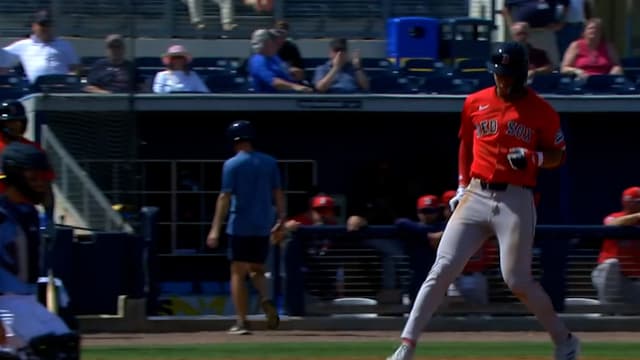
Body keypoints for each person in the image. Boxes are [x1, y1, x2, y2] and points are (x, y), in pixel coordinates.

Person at [386, 41, 580, 360]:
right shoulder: (475, 101)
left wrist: (534, 156)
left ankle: (565, 340)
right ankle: (406, 345)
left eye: (507, 74)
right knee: (443, 267)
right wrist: (461, 185)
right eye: (498, 73)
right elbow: (465, 146)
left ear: (521, 74)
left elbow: (559, 155)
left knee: (516, 279)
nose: (501, 80)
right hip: (476, 192)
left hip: (515, 198)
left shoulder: (541, 110)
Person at [0, 142, 79, 359]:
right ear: (15, 176)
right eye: (33, 178)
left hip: (29, 299)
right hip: (5, 304)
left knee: (65, 345)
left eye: (44, 178)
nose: (42, 184)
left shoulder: (29, 212)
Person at [206, 120, 284, 335]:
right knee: (257, 269)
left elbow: (225, 196)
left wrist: (214, 229)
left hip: (239, 224)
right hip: (262, 225)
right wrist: (281, 219)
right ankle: (266, 298)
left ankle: (241, 322)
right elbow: (278, 193)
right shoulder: (269, 162)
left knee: (238, 273)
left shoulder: (232, 164)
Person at [591, 186, 640, 304]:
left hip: (635, 281)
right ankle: (606, 310)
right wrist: (638, 216)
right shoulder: (614, 216)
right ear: (627, 201)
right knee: (611, 264)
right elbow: (611, 225)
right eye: (638, 201)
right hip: (612, 277)